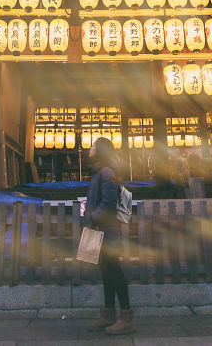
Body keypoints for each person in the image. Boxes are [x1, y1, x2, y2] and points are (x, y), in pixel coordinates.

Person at [84, 137, 135, 334]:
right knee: (107, 272)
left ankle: (126, 317)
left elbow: (108, 203)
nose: (90, 148)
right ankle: (108, 314)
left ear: (101, 150)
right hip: (101, 231)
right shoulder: (100, 171)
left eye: (94, 145)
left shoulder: (106, 172)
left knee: (114, 272)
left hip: (106, 232)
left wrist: (92, 216)